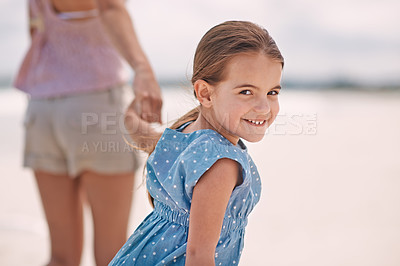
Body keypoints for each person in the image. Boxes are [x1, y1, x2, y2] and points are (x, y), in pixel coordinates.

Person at [110, 20, 284, 265]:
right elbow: (198, 256)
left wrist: (132, 111)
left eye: (272, 92)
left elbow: (139, 133)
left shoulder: (184, 131)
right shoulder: (222, 163)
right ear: (205, 93)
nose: (264, 107)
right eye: (246, 92)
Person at [14, 0, 162, 265]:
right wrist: (143, 70)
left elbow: (36, 33)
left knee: (61, 257)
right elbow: (108, 7)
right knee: (111, 255)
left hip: (42, 109)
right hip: (95, 103)